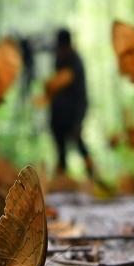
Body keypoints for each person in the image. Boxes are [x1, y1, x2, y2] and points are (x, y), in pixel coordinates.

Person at [49, 29, 93, 177]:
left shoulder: (75, 61)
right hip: (59, 112)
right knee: (60, 147)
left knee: (78, 141)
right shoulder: (59, 59)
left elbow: (76, 90)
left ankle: (92, 175)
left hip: (74, 110)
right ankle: (62, 176)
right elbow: (54, 87)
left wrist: (78, 119)